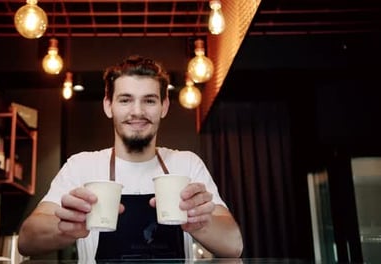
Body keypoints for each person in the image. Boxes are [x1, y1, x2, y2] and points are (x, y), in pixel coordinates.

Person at [17, 55, 243, 260]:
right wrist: (66, 226)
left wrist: (200, 222)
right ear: (109, 106)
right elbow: (27, 241)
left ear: (164, 106)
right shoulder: (81, 166)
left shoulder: (187, 164)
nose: (137, 111)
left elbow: (234, 246)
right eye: (125, 100)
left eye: (149, 100)